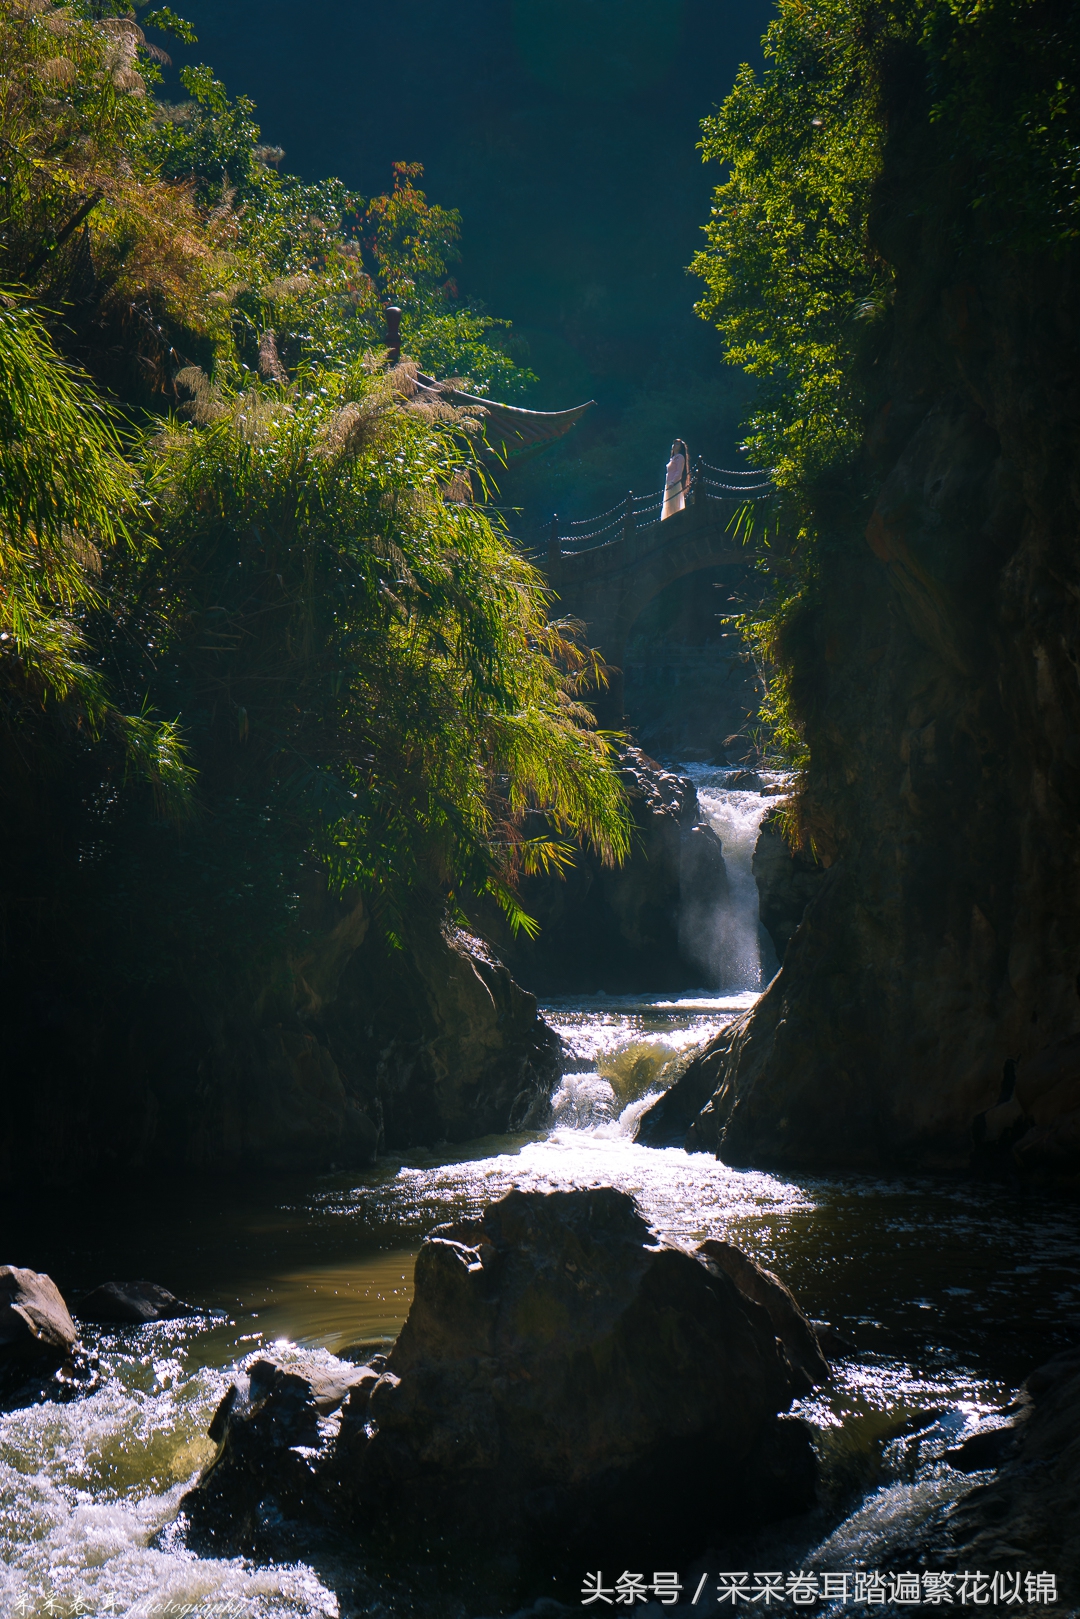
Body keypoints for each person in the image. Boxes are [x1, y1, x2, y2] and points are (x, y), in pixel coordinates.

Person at [661, 438, 689, 520]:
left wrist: (673, 482)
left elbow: (678, 472)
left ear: (680, 447)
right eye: (674, 444)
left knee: (673, 503)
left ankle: (674, 519)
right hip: (669, 483)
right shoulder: (673, 458)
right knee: (669, 503)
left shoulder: (680, 457)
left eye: (677, 444)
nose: (674, 445)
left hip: (674, 484)